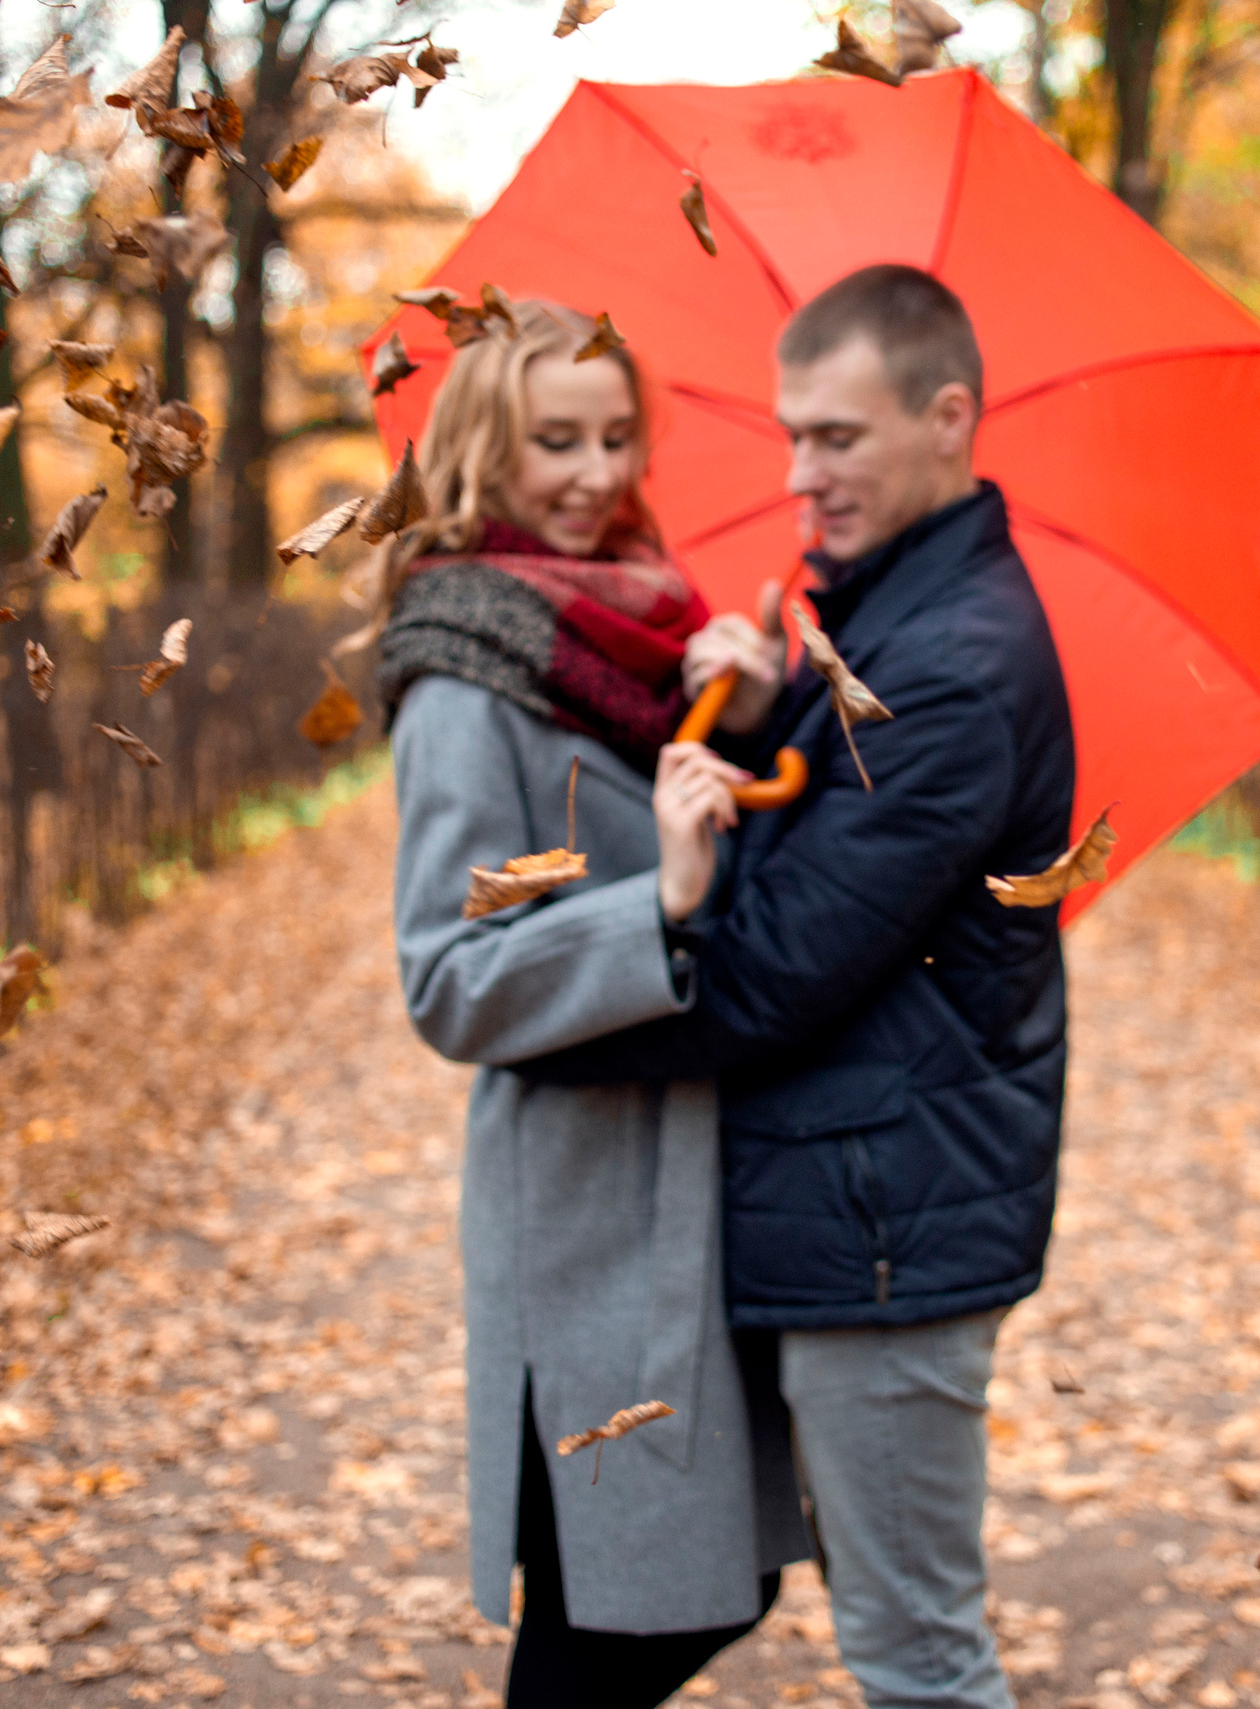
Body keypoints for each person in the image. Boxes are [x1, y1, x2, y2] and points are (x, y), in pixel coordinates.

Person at [525, 264, 1078, 1708]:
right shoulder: (896, 623)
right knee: (895, 1630)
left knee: (919, 1653)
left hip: (884, 1225)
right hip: (865, 1198)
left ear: (947, 418)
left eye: (838, 436)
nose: (800, 474)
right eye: (792, 436)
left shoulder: (952, 664)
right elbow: (852, 848)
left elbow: (776, 969)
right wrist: (780, 712)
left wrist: (544, 1024)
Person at [374, 299, 811, 1708]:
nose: (595, 472)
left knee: (704, 1578)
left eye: (617, 437)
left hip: (693, 1184)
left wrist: (743, 713)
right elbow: (449, 975)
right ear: (483, 448)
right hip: (586, 1216)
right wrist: (653, 904)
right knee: (611, 1612)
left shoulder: (644, 628)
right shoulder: (465, 671)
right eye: (556, 440)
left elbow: (687, 807)